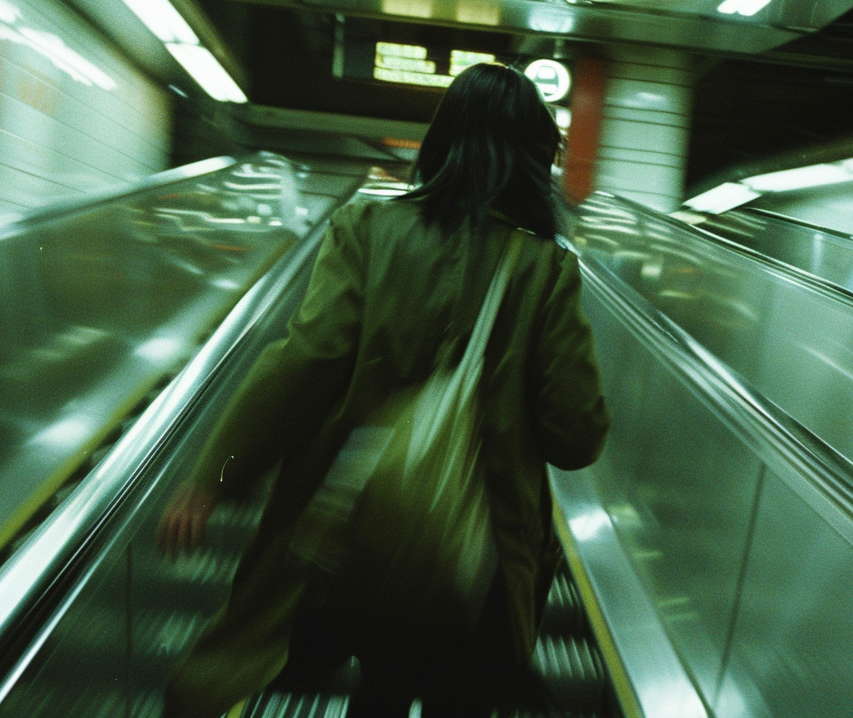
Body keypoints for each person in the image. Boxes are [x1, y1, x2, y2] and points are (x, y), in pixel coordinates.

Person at [157, 63, 610, 718]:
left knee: (379, 688)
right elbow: (577, 437)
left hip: (354, 534)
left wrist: (213, 476)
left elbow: (306, 362)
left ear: (441, 141)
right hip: (473, 557)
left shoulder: (364, 232)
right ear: (533, 161)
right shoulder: (546, 270)